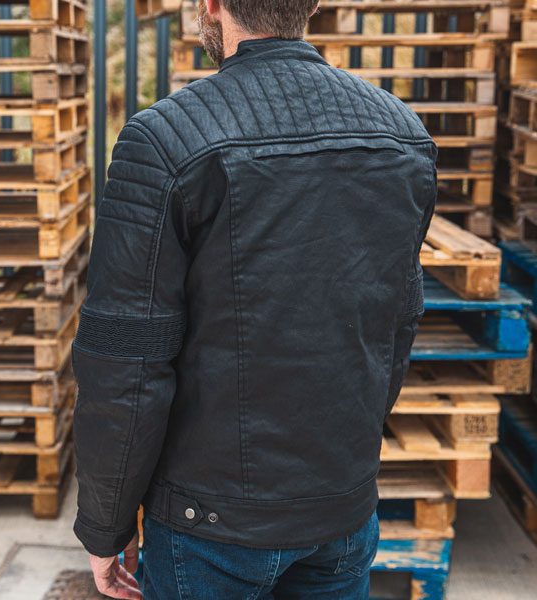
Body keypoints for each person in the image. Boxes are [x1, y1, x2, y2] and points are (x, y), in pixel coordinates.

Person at [70, 0, 437, 598]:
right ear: (311, 4)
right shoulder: (403, 134)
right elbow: (396, 326)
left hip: (208, 527)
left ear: (212, 5)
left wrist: (105, 525)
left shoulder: (165, 140)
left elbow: (126, 360)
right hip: (341, 514)